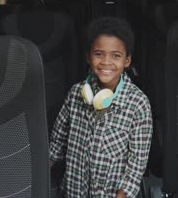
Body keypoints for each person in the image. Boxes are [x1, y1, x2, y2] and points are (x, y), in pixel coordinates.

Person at [49, 17, 152, 198]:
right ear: (88, 57)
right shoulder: (75, 94)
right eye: (98, 54)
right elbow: (57, 143)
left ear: (127, 61)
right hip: (73, 191)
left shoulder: (138, 104)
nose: (106, 62)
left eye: (116, 55)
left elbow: (136, 165)